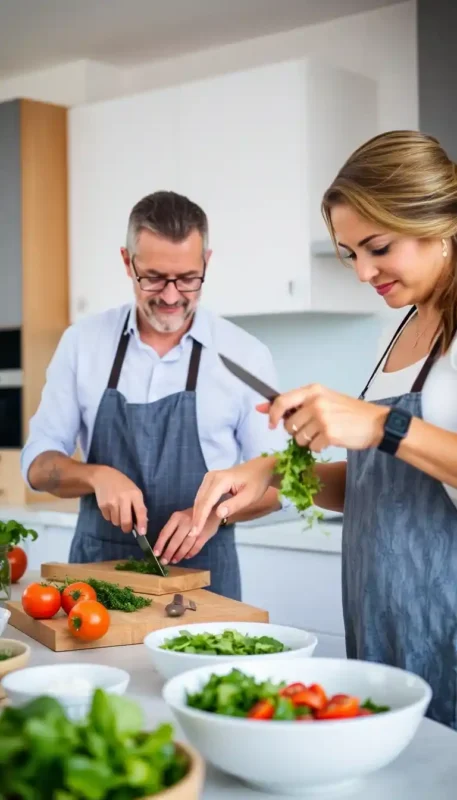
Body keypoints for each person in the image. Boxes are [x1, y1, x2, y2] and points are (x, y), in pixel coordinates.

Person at [191, 130, 457, 728]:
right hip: (384, 620)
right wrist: (278, 476)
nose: (363, 272)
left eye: (378, 247)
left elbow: (389, 438)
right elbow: (387, 482)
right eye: (350, 253)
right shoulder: (409, 323)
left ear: (438, 222)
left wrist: (379, 424)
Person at [21, 190, 286, 600]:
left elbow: (279, 484)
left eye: (188, 279)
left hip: (204, 580)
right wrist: (96, 475)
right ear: (128, 262)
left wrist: (215, 514)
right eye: (154, 278)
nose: (170, 296)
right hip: (96, 582)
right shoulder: (83, 344)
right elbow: (37, 466)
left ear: (206, 263)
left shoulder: (245, 355)